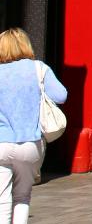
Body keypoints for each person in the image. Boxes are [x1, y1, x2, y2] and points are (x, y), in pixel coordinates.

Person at [0, 28, 68, 223]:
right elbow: (61, 96)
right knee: (22, 197)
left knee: (2, 200)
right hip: (31, 144)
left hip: (1, 144)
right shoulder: (39, 68)